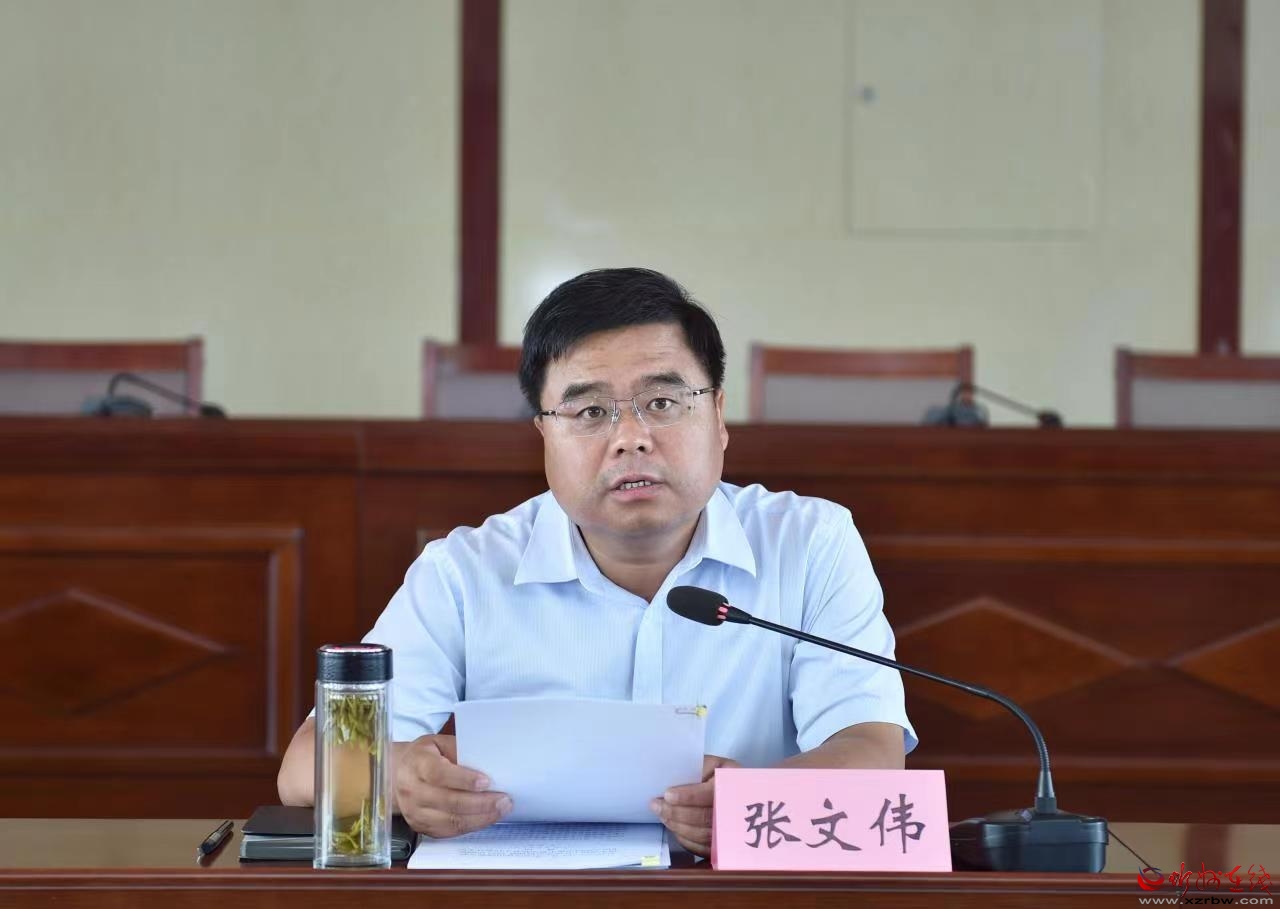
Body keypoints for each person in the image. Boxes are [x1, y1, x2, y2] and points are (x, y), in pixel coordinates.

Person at [278, 267, 916, 857]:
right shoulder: (464, 572)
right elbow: (307, 765)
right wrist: (398, 777)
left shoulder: (809, 542)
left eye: (662, 403)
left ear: (718, 415)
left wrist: (753, 803)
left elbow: (871, 748)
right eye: (589, 412)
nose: (630, 438)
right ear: (544, 435)